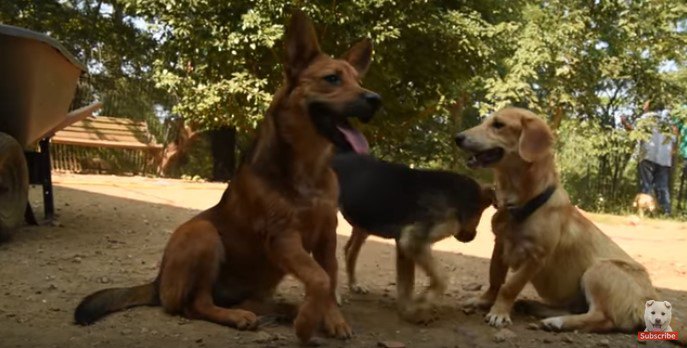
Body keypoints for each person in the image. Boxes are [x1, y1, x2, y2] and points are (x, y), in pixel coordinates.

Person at [621, 100, 677, 216]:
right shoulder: (668, 121)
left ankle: (645, 211)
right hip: (664, 158)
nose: (643, 106)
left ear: (649, 107)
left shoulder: (645, 118)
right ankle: (665, 211)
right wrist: (671, 156)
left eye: (645, 105)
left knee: (646, 184)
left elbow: (634, 131)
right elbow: (674, 140)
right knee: (662, 186)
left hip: (647, 155)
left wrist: (624, 123)